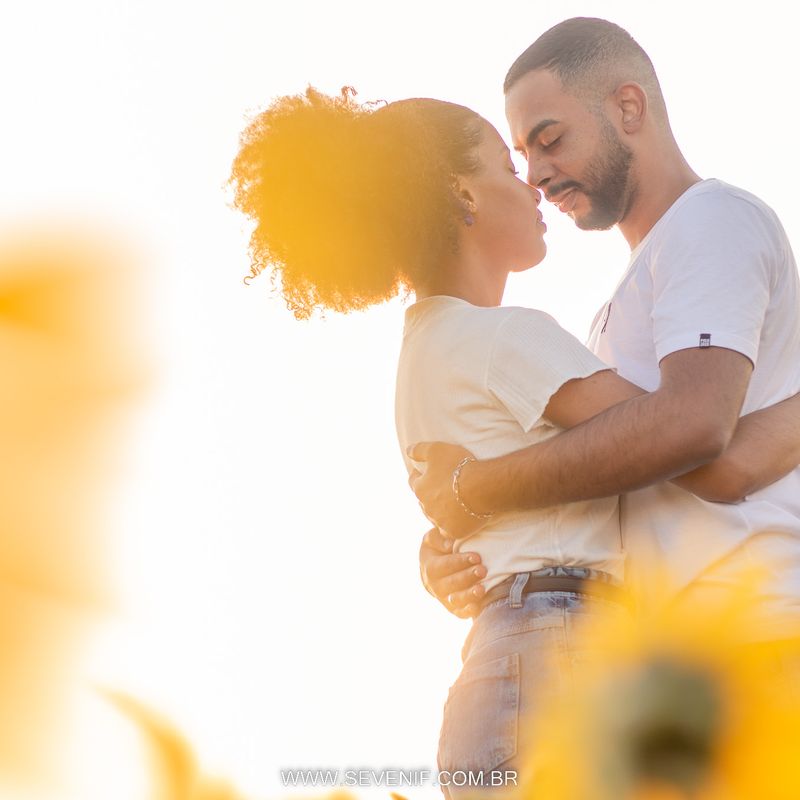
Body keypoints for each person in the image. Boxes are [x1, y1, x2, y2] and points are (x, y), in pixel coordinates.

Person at [228, 86, 800, 797]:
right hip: (553, 654)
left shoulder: (425, 351)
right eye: (506, 164)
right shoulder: (505, 340)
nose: (530, 182)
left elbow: (472, 503)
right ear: (460, 196)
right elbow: (686, 443)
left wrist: (450, 535)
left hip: (502, 661)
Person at [410, 18, 800, 633]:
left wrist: (476, 491)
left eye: (550, 138)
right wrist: (463, 547)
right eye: (522, 156)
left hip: (758, 630)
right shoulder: (620, 305)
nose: (536, 172)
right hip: (677, 658)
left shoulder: (710, 221)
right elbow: (623, 465)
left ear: (627, 107)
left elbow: (697, 434)